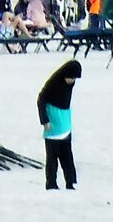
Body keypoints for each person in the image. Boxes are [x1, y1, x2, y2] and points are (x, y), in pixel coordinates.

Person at [38, 60, 81, 191]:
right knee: (52, 157)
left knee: (67, 155)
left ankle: (70, 182)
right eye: (71, 78)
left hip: (65, 122)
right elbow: (41, 100)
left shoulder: (69, 84)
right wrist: (44, 120)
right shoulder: (53, 83)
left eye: (74, 79)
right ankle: (51, 183)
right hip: (52, 124)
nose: (72, 81)